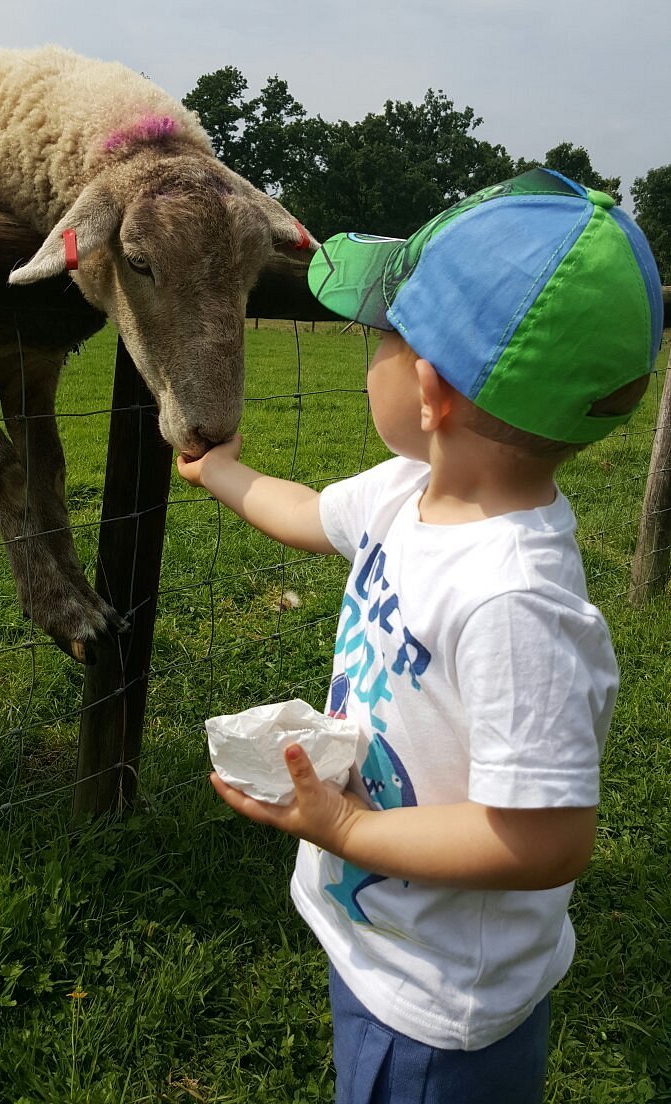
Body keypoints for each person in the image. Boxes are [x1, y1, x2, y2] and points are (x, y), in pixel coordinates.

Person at [177, 168, 663, 1104]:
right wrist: (225, 475)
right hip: (386, 942)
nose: (369, 355)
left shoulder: (512, 600)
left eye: (379, 338)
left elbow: (545, 842)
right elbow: (312, 513)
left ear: (429, 388)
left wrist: (351, 826)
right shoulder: (408, 492)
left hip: (440, 1002)